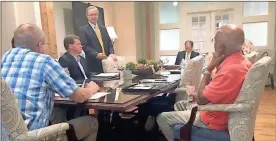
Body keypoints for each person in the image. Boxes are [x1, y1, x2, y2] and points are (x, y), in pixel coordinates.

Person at [1, 23, 99, 141]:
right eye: (47, 44)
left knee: (59, 112)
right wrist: (92, 89)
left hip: (5, 135)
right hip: (33, 136)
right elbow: (80, 96)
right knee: (91, 122)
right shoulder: (44, 61)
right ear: (40, 45)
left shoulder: (5, 58)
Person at [157, 24, 252, 141]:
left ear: (220, 46)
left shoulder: (230, 70)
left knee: (162, 118)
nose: (214, 44)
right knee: (180, 104)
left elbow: (202, 100)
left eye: (214, 40)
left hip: (214, 119)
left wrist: (208, 69)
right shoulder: (243, 62)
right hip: (222, 112)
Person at [79, 6, 117, 73]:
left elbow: (109, 42)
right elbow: (84, 46)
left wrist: (112, 53)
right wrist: (96, 54)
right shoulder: (83, 30)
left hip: (107, 61)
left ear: (98, 15)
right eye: (91, 15)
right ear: (87, 16)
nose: (93, 16)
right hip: (94, 63)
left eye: (95, 14)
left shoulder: (103, 28)